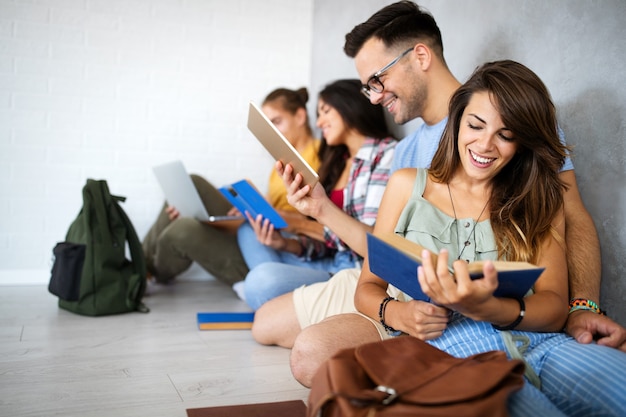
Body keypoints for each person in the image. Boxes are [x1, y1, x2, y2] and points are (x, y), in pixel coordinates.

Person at [252, 0, 626, 353]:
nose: (372, 97)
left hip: (463, 304)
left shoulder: (513, 118)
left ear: (420, 56)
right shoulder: (407, 152)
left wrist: (580, 306)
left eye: (377, 80)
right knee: (264, 316)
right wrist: (321, 209)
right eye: (367, 86)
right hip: (391, 287)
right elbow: (386, 251)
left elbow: (570, 218)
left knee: (300, 333)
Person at [297, 60, 626, 416]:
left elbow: (553, 306)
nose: (485, 145)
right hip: (456, 352)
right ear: (457, 121)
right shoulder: (407, 185)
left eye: (506, 134)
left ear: (521, 143)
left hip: (546, 346)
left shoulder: (536, 197)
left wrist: (491, 309)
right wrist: (399, 314)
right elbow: (367, 287)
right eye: (476, 125)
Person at [236, 79, 397, 310]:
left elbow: (371, 244)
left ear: (349, 106)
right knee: (248, 234)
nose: (319, 122)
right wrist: (285, 244)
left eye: (325, 111)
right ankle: (280, 303)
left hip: (354, 270)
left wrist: (298, 223)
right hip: (329, 261)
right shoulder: (336, 162)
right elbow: (330, 243)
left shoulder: (385, 155)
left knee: (261, 281)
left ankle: (274, 302)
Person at [142, 87, 321, 288]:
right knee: (192, 183)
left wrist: (270, 214)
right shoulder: (282, 163)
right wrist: (247, 210)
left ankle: (139, 273)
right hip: (263, 227)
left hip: (283, 241)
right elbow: (270, 208)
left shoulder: (320, 156)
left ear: (300, 116)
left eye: (277, 122)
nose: (273, 133)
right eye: (268, 127)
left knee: (183, 229)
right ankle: (139, 265)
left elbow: (316, 219)